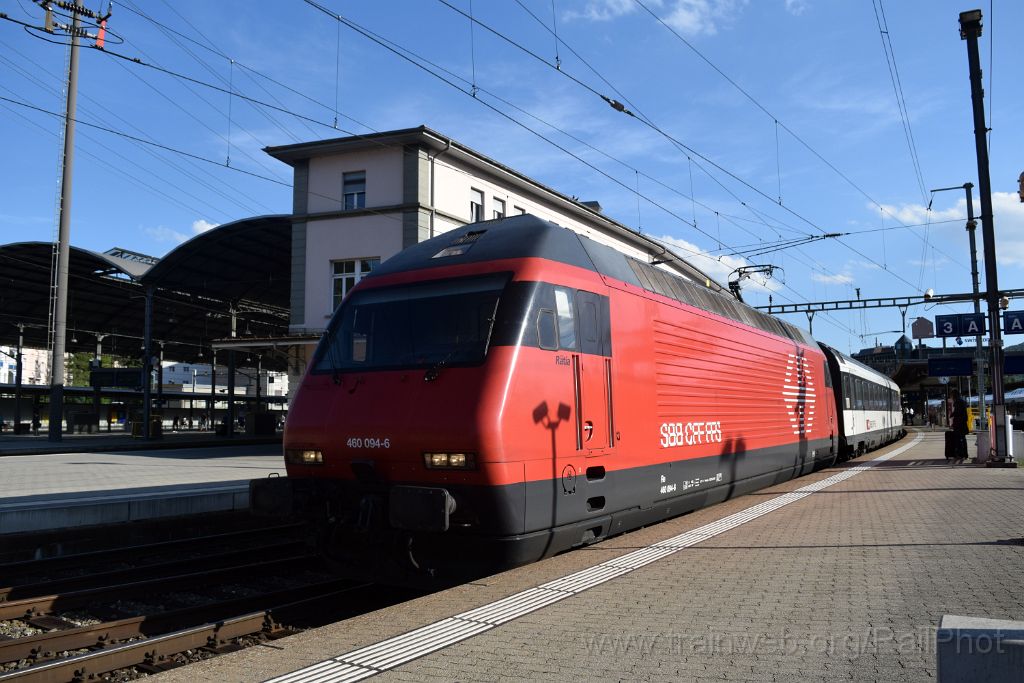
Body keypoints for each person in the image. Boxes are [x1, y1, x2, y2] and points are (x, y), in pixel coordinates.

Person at [950, 389, 969, 464]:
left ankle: (961, 454)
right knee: (963, 439)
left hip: (959, 423)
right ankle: (965, 454)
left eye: (951, 395)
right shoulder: (962, 401)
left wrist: (952, 415)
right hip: (962, 422)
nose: (951, 397)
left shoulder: (957, 402)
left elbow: (957, 412)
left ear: (954, 395)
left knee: (959, 439)